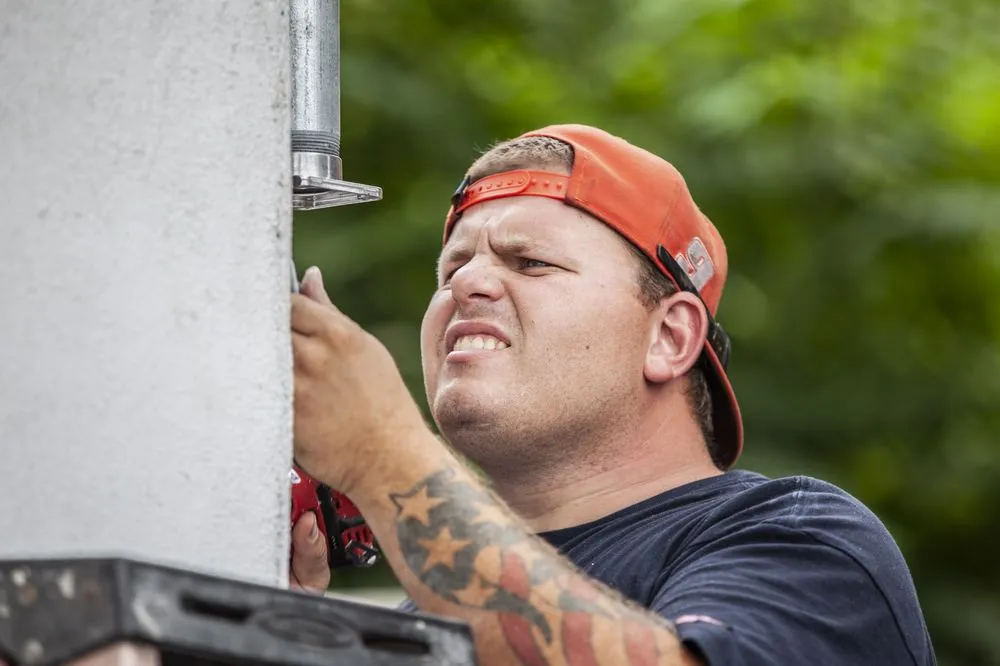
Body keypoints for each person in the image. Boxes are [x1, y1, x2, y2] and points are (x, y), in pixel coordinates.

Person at [288, 124, 937, 665]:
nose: (466, 285)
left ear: (670, 337)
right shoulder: (427, 616)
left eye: (530, 262)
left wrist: (385, 457)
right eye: (453, 268)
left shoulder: (803, 543)